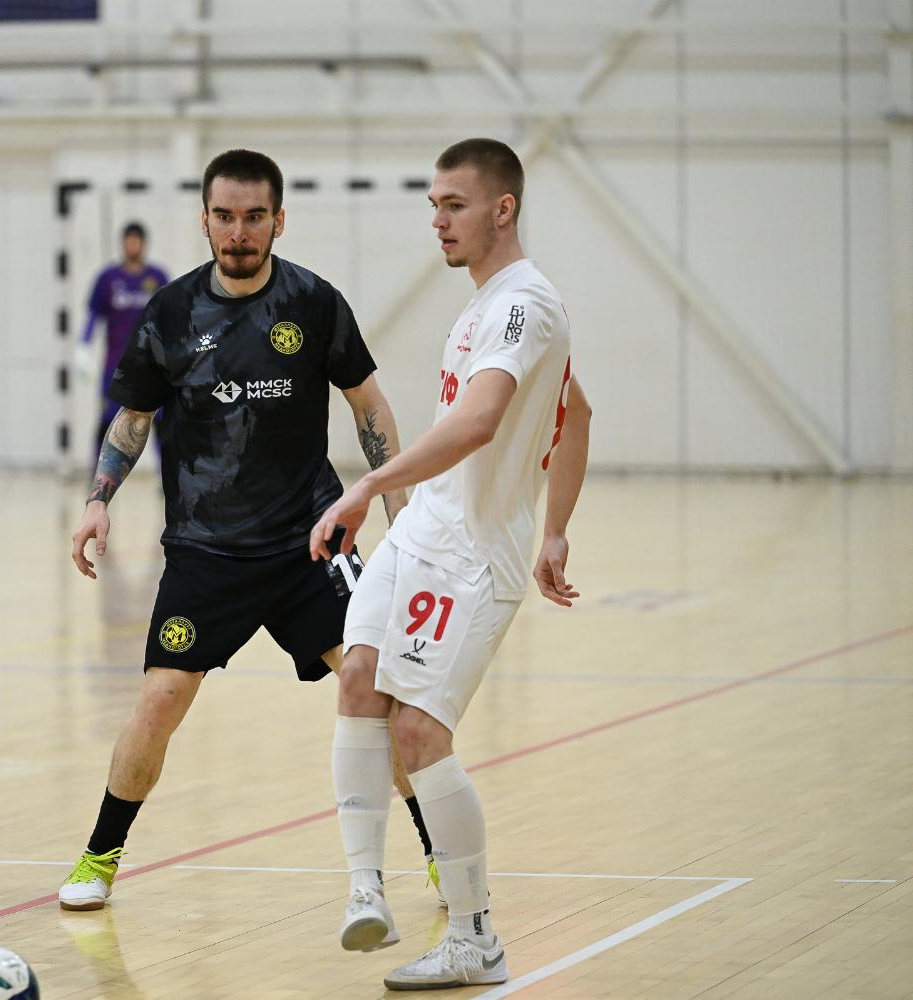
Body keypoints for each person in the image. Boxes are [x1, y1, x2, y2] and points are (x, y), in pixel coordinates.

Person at [59, 148, 419, 913]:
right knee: (159, 699)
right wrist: (98, 498)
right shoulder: (171, 313)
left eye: (255, 217)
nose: (239, 232)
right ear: (204, 220)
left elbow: (369, 405)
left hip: (312, 544)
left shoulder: (314, 303)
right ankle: (99, 856)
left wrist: (398, 505)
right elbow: (132, 418)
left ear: (279, 221)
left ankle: (442, 851)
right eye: (224, 216)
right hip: (205, 553)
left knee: (377, 690)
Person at [310, 137, 593, 989]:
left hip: (471, 556)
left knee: (420, 733)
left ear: (503, 209)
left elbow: (478, 423)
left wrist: (370, 485)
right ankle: (366, 890)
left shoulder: (524, 304)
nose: (438, 220)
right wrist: (556, 530)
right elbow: (577, 412)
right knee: (358, 678)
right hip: (423, 533)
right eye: (433, 204)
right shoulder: (488, 304)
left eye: (454, 205)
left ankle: (475, 939)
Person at [78, 222, 169, 463]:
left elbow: (171, 317)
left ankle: (166, 476)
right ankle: (98, 473)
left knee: (161, 422)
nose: (133, 246)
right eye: (129, 240)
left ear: (144, 244)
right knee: (107, 421)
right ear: (122, 243)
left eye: (137, 241)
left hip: (151, 366)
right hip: (116, 365)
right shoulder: (108, 278)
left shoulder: (157, 277)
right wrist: (84, 347)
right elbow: (94, 315)